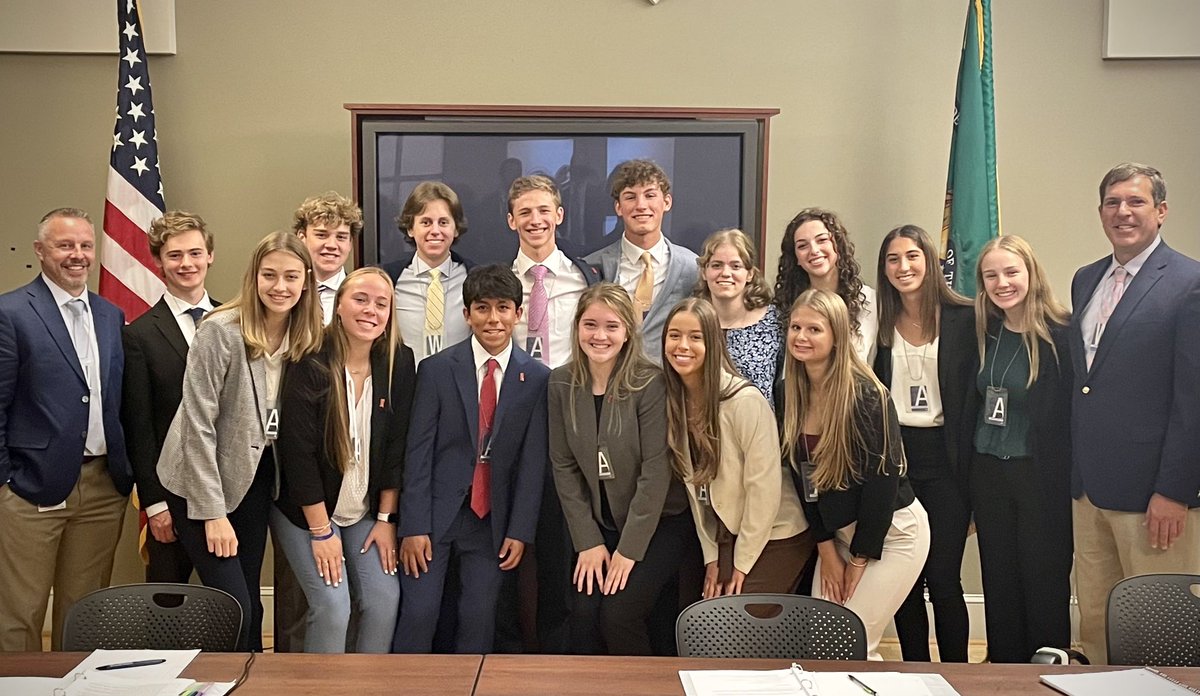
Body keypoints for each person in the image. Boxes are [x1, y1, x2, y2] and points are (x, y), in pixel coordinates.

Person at [157, 230, 324, 651]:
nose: (280, 287)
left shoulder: (307, 335)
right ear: (254, 277)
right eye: (269, 275)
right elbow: (197, 425)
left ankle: (249, 679)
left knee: (250, 597)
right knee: (235, 605)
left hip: (257, 473)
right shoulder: (220, 331)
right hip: (200, 476)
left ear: (306, 279)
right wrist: (212, 514)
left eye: (290, 276)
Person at [1069, 163, 1200, 663]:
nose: (1122, 212)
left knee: (1159, 627)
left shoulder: (1189, 283)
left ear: (1161, 211)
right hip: (1089, 493)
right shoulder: (1086, 280)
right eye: (1112, 203)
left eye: (1136, 201)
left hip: (1154, 499)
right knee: (1098, 620)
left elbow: (1193, 401)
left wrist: (1175, 490)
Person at [394, 264, 549, 654]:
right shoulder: (436, 370)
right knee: (419, 614)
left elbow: (532, 466)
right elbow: (418, 453)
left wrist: (520, 531)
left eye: (502, 308)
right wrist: (412, 526)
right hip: (434, 517)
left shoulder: (537, 378)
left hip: (491, 522)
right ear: (466, 315)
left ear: (518, 313)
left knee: (479, 620)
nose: (493, 319)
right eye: (482, 308)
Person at [0, 208, 133, 651]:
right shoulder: (12, 312)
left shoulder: (111, 314)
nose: (77, 255)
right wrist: (5, 482)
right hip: (30, 484)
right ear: (40, 251)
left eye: (85, 246)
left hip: (101, 486)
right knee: (20, 611)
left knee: (85, 611)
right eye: (64, 245)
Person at [780, 288, 929, 661]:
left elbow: (883, 484)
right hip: (840, 535)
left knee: (847, 643)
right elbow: (804, 481)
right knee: (822, 647)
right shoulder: (787, 392)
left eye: (814, 329)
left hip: (891, 534)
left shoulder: (866, 395)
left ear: (836, 337)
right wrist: (827, 550)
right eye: (796, 327)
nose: (801, 336)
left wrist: (859, 559)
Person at [272, 267, 415, 653]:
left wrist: (386, 520)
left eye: (381, 304)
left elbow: (397, 448)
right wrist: (321, 533)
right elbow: (297, 455)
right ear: (338, 307)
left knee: (384, 600)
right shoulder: (308, 360)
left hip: (364, 513)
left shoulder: (398, 361)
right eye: (360, 299)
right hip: (306, 512)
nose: (371, 310)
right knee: (333, 607)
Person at [547, 283, 691, 655]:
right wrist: (588, 541)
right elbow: (563, 466)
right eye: (590, 325)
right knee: (582, 613)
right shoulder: (561, 383)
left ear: (628, 331)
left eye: (611, 326)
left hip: (657, 524)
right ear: (577, 327)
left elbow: (656, 472)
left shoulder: (650, 381)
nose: (600, 335)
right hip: (599, 526)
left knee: (618, 614)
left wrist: (628, 551)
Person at [505, 174, 600, 652]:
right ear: (511, 220)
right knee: (513, 534)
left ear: (559, 215)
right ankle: (514, 645)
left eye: (544, 210)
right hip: (514, 422)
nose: (535, 220)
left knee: (563, 535)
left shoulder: (587, 278)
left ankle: (561, 648)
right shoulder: (501, 282)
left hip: (573, 417)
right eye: (525, 211)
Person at [662, 298, 812, 599]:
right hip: (728, 534)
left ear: (714, 343)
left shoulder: (743, 401)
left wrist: (741, 564)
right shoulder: (673, 402)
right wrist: (713, 557)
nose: (682, 345)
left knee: (736, 622)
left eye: (695, 337)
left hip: (775, 532)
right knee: (707, 619)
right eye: (674, 335)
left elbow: (763, 490)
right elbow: (697, 495)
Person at [872, 225, 975, 663]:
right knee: (906, 579)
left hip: (947, 461)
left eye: (912, 256)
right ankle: (915, 670)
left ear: (931, 261)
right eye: (893, 259)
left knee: (944, 579)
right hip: (898, 459)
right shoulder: (877, 321)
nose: (903, 267)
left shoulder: (966, 319)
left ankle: (957, 674)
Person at [970, 235, 1073, 663]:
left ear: (1031, 274)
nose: (1002, 283)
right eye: (991, 275)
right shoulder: (983, 332)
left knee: (1043, 578)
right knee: (999, 578)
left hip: (1039, 476)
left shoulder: (1062, 335)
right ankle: (1004, 668)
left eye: (1011, 272)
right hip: (989, 473)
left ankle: (1048, 669)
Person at [122, 210, 217, 585]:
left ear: (210, 255)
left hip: (229, 494)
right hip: (171, 497)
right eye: (175, 255)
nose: (186, 264)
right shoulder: (140, 335)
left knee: (235, 605)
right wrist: (155, 505)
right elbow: (139, 427)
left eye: (195, 253)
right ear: (159, 261)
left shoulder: (237, 323)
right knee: (167, 604)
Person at [585, 159, 698, 363]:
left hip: (670, 386)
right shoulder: (593, 267)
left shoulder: (692, 268)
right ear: (618, 207)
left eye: (650, 195)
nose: (641, 205)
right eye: (630, 197)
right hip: (611, 382)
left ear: (667, 202)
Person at [383, 181, 476, 364]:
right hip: (407, 387)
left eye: (443, 222)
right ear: (410, 228)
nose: (435, 231)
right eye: (426, 222)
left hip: (458, 386)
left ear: (455, 229)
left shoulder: (474, 278)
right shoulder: (388, 279)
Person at [773, 208, 877, 363]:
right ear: (796, 258)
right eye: (802, 246)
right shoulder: (786, 305)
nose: (814, 250)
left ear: (838, 245)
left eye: (822, 240)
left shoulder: (869, 301)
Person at [693, 229, 781, 406]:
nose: (725, 273)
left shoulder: (774, 322)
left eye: (736, 266)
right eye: (717, 265)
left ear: (750, 274)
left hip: (758, 427)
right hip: (701, 427)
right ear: (704, 272)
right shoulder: (691, 320)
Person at [295, 192, 363, 324]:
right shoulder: (284, 293)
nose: (332, 245)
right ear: (302, 238)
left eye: (341, 237)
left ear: (350, 243)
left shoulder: (362, 299)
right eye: (321, 235)